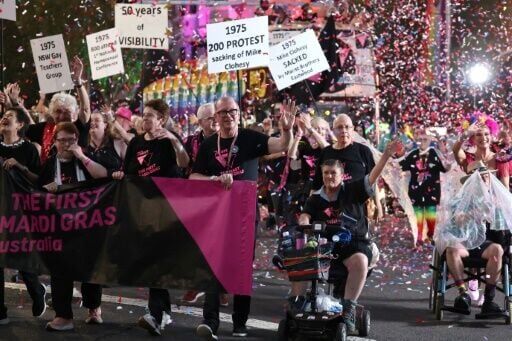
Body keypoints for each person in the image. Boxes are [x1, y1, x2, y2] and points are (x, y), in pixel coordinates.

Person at [190, 96, 296, 340]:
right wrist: (214, 180)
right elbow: (193, 177)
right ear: (215, 117)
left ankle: (240, 322)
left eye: (233, 111)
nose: (228, 116)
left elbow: (282, 146)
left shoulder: (250, 138)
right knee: (212, 264)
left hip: (244, 214)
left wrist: (287, 130)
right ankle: (210, 321)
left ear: (239, 113)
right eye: (223, 112)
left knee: (242, 268)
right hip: (215, 215)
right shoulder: (208, 145)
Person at [298, 140, 399, 333]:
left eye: (333, 173)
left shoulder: (354, 190)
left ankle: (348, 309)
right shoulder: (316, 198)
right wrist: (305, 223)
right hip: (324, 244)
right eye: (326, 173)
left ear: (341, 174)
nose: (329, 177)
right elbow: (305, 215)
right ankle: (299, 304)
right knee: (298, 256)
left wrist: (385, 156)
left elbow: (372, 177)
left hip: (352, 243)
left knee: (360, 261)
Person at [112, 99, 189, 336]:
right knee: (151, 260)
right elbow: (130, 172)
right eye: (144, 115)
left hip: (165, 209)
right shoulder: (135, 142)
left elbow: (184, 164)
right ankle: (162, 312)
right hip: (142, 210)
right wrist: (120, 175)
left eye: (150, 116)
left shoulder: (169, 140)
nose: (145, 119)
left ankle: (156, 314)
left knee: (157, 259)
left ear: (161, 120)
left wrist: (175, 141)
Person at [40, 123, 108, 331]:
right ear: (55, 142)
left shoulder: (86, 159)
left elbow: (103, 175)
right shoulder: (50, 164)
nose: (67, 144)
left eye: (72, 140)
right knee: (60, 269)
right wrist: (47, 190)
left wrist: (82, 157)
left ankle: (94, 307)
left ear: (78, 141)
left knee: (91, 268)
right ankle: (63, 316)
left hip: (88, 224)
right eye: (62, 140)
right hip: (60, 227)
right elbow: (38, 192)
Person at [442, 161, 507, 316]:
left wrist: (496, 212)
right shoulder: (460, 198)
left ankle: (489, 300)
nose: (485, 179)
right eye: (481, 177)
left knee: (497, 250)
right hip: (463, 240)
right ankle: (463, 294)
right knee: (451, 250)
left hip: (485, 243)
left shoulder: (496, 199)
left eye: (486, 176)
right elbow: (456, 220)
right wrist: (472, 214)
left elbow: (501, 231)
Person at [0, 107, 46, 325]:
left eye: (9, 117)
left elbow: (38, 180)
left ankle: (37, 292)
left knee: (22, 261)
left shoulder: (28, 149)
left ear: (19, 125)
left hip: (21, 213)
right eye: (3, 117)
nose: (4, 119)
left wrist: (19, 166)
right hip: (0, 211)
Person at [181, 102, 223, 305]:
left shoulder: (228, 138)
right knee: (196, 243)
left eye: (216, 116)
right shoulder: (190, 142)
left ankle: (220, 285)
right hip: (197, 198)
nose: (215, 120)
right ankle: (197, 283)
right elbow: (183, 166)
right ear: (200, 122)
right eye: (209, 118)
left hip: (223, 198)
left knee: (221, 243)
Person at [26, 56, 91, 162]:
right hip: (51, 176)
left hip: (78, 174)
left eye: (67, 111)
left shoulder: (79, 127)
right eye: (58, 111)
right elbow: (16, 128)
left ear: (74, 114)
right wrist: (12, 103)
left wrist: (78, 81)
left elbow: (85, 109)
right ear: (51, 113)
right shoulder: (43, 129)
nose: (62, 116)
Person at [399, 130, 450, 246]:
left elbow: (446, 169)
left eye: (425, 139)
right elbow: (401, 166)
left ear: (430, 140)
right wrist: (400, 153)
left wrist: (444, 153)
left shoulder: (435, 154)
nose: (422, 142)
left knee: (431, 216)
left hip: (431, 192)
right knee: (418, 217)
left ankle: (431, 236)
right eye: (420, 139)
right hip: (415, 192)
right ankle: (419, 238)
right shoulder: (413, 154)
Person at [313, 114, 375, 190]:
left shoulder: (364, 151)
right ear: (333, 130)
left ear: (352, 129)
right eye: (339, 127)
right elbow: (317, 184)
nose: (344, 130)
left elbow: (373, 180)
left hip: (357, 200)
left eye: (347, 127)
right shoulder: (326, 152)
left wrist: (377, 202)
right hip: (331, 200)